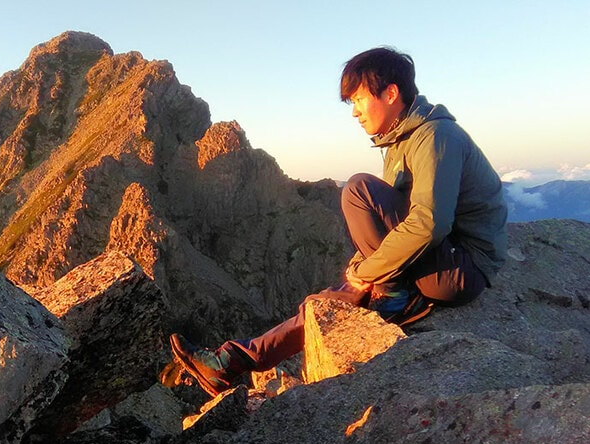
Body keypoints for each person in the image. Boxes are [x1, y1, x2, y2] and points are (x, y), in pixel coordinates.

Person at [169, 46, 508, 397]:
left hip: (461, 269)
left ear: (390, 94)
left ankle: (393, 295)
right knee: (331, 300)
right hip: (440, 258)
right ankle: (234, 361)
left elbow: (428, 223)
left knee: (358, 190)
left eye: (359, 100)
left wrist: (370, 271)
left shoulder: (435, 137)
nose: (355, 113)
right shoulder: (402, 139)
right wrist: (369, 264)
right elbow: (402, 219)